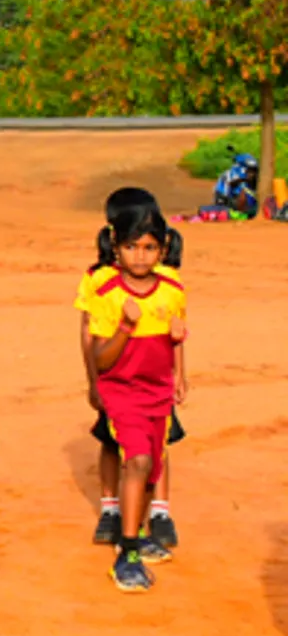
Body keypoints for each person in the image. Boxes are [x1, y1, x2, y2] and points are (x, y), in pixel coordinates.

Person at [82, 204, 188, 592]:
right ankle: (126, 552)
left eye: (148, 247)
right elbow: (101, 356)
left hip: (158, 393)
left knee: (151, 469)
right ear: (117, 248)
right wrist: (126, 326)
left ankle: (136, 531)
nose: (139, 255)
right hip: (122, 393)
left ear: (162, 250)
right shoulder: (107, 294)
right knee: (138, 462)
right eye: (131, 246)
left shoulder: (174, 290)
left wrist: (181, 374)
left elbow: (175, 337)